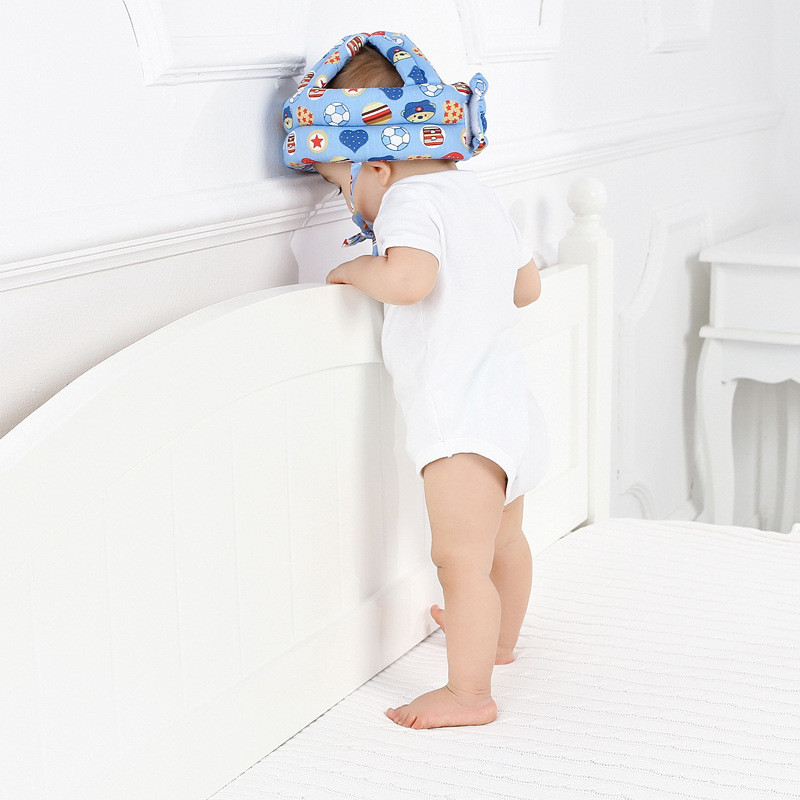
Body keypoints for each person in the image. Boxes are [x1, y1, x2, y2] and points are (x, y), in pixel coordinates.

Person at [282, 31, 548, 729]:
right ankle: (498, 641)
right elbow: (527, 288)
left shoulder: (406, 200)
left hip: (460, 422)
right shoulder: (478, 193)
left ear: (376, 162)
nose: (349, 201)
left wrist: (355, 269)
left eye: (341, 184)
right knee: (505, 544)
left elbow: (408, 281)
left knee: (459, 562)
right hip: (512, 413)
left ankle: (468, 694)